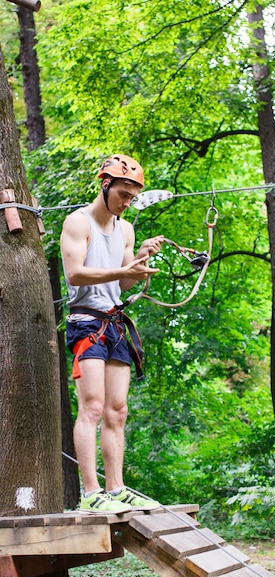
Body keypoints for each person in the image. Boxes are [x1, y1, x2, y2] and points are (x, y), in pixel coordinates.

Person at [60, 154, 164, 514]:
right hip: (86, 322)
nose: (126, 203)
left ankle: (116, 488)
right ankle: (91, 492)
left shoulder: (126, 229)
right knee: (91, 406)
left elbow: (124, 280)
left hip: (115, 323)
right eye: (122, 194)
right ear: (105, 185)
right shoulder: (78, 222)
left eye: (132, 198)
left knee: (117, 410)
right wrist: (119, 269)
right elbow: (75, 274)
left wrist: (140, 262)